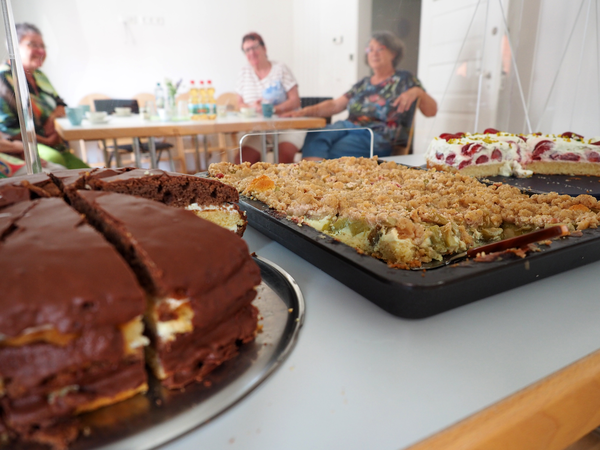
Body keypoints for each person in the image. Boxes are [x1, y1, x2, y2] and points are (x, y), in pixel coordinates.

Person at [284, 31, 437, 160]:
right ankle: (312, 183)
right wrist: (302, 112)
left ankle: (314, 182)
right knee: (316, 134)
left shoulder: (405, 79)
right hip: (347, 126)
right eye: (370, 49)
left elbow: (431, 111)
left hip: (377, 136)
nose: (374, 53)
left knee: (334, 150)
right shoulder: (363, 83)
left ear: (394, 53)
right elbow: (335, 105)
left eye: (380, 48)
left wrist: (418, 92)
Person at [0, 23, 88, 169]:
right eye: (33, 45)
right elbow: (8, 129)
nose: (41, 51)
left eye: (43, 46)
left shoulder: (40, 76)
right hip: (24, 146)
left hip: (56, 143)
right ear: (13, 47)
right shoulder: (3, 78)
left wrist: (52, 119)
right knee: (56, 161)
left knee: (88, 173)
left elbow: (61, 104)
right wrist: (47, 141)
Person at [236, 32, 304, 164]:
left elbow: (295, 100)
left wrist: (273, 109)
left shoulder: (280, 68)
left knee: (282, 160)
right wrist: (253, 108)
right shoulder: (244, 72)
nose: (251, 52)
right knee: (241, 162)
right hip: (261, 129)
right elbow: (239, 103)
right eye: (247, 50)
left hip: (288, 125)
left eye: (254, 47)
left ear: (264, 48)